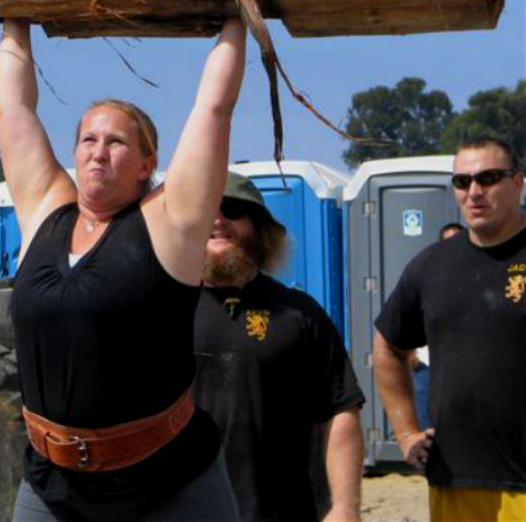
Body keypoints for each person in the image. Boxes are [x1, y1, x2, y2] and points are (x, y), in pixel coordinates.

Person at [0, 16, 246, 522]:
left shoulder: (170, 221)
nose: (98, 152)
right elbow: (12, 107)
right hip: (52, 483)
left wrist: (236, 15)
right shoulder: (45, 208)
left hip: (168, 483)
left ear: (147, 161)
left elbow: (213, 108)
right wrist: (14, 18)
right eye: (89, 140)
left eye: (116, 142)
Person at [194, 171, 365, 522]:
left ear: (258, 228)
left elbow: (339, 411)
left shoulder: (300, 313)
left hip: (285, 511)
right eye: (206, 207)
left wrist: (346, 506)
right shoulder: (160, 310)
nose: (217, 219)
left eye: (231, 209)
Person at [374, 136, 526, 522]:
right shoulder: (431, 266)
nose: (474, 191)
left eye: (489, 178)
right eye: (462, 181)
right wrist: (407, 433)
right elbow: (388, 347)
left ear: (518, 182)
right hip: (455, 477)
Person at [409, 221, 466, 431]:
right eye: (447, 241)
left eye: (458, 240)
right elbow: (400, 323)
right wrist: (410, 356)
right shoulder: (426, 277)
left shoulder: (483, 275)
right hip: (429, 370)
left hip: (467, 373)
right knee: (429, 437)